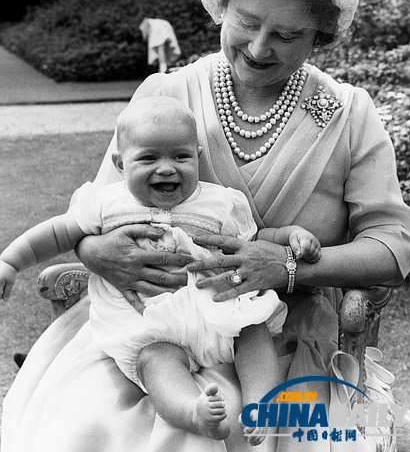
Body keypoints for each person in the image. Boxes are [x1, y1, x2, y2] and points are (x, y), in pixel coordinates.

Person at [2, 0, 410, 452]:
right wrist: (96, 253)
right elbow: (97, 213)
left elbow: (395, 248)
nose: (259, 46)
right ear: (222, 5)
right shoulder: (167, 95)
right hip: (152, 327)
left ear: (321, 34)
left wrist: (288, 268)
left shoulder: (347, 114)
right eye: (246, 23)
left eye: (287, 35)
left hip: (277, 339)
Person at [0, 96, 321, 446]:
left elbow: (256, 239)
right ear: (120, 164)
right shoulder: (107, 204)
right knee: (155, 362)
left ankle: (261, 404)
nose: (166, 168)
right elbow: (56, 234)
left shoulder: (219, 202)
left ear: (197, 156)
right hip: (149, 324)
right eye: (149, 158)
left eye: (180, 156)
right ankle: (192, 411)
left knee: (254, 333)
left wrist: (292, 238)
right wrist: (10, 262)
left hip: (218, 315)